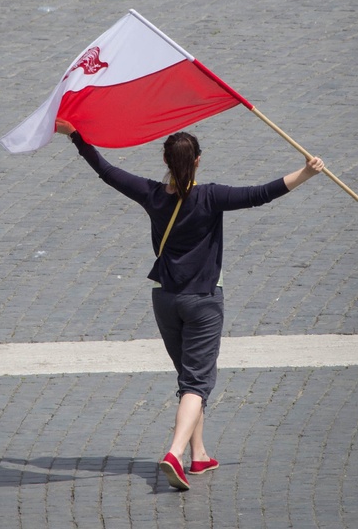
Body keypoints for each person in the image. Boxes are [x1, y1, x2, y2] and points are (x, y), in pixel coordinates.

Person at [55, 119, 324, 491]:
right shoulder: (211, 197)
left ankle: (199, 455)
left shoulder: (151, 194)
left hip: (164, 299)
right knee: (197, 381)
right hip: (203, 302)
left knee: (188, 379)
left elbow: (106, 170)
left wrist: (75, 136)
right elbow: (261, 193)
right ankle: (175, 453)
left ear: (164, 158)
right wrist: (307, 174)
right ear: (198, 160)